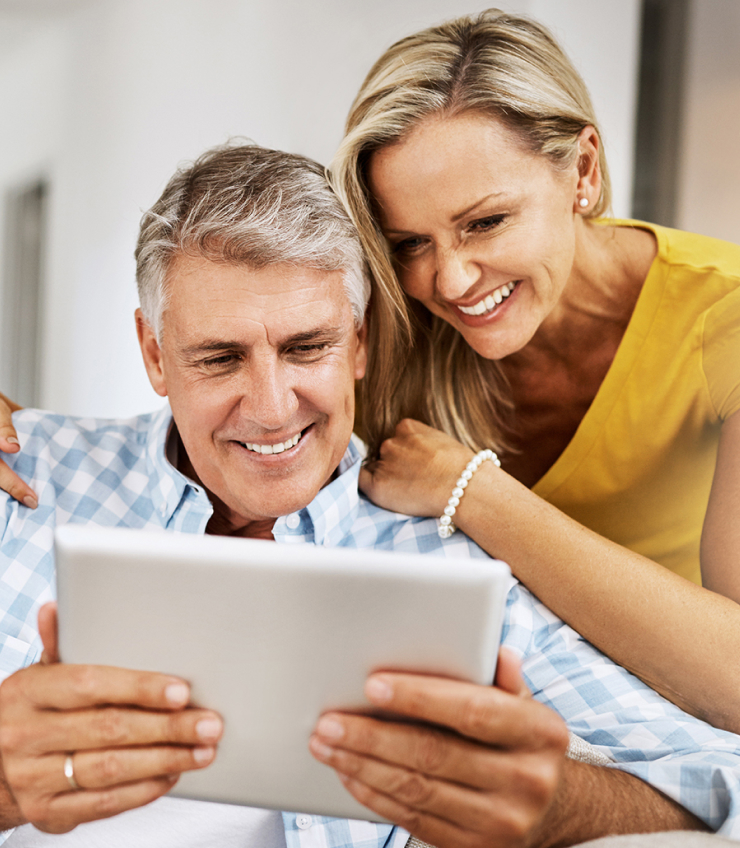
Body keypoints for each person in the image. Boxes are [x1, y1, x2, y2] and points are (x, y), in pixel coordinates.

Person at [0, 143, 739, 848]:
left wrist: (556, 808)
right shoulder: (20, 479)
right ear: (155, 353)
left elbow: (720, 783)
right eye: (220, 358)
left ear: (358, 343)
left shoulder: (455, 567)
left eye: (307, 348)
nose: (270, 406)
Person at [329, 8, 740, 734]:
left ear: (583, 171)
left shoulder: (725, 316)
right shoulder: (394, 335)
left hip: (672, 744)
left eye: (484, 223)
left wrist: (474, 493)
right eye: (408, 243)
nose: (450, 281)